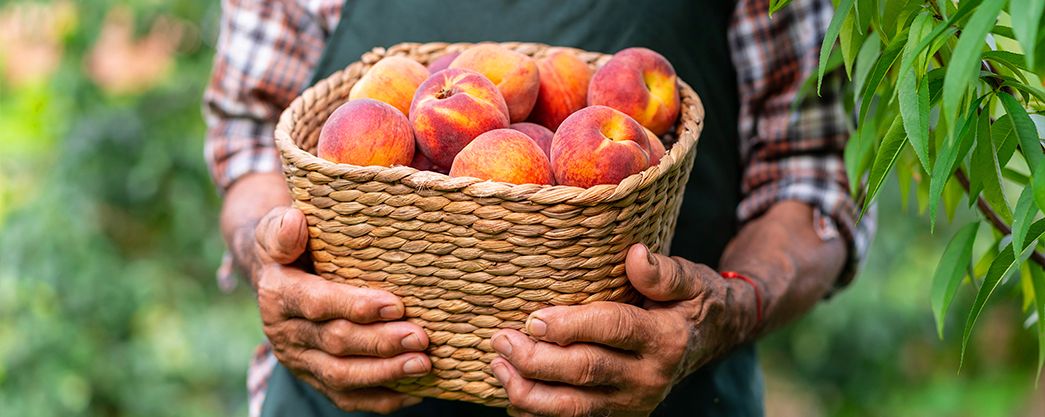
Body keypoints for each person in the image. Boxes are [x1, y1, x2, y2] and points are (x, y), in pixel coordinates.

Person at [204, 0, 873, 416]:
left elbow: (812, 171)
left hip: (675, 399)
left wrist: (727, 308)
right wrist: (272, 264)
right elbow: (248, 140)